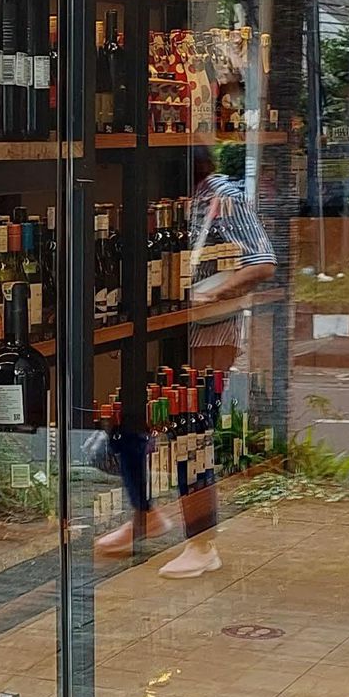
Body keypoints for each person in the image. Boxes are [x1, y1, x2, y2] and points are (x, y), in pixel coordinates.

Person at [95, 145, 276, 576]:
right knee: (127, 420)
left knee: (191, 433)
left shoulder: (222, 197)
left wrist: (211, 295)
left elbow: (262, 262)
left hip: (208, 331)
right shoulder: (176, 203)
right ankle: (145, 515)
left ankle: (202, 543)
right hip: (165, 330)